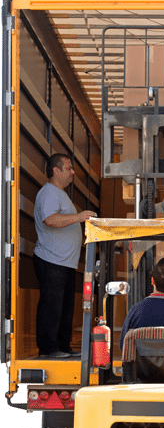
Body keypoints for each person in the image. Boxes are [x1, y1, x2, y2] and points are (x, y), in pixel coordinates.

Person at [33, 153, 97, 358]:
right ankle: (48, 349)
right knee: (52, 306)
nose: (73, 172)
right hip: (52, 260)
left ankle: (62, 346)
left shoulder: (60, 194)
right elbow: (50, 220)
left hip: (64, 263)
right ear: (56, 171)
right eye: (69, 168)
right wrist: (79, 216)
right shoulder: (49, 193)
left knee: (65, 306)